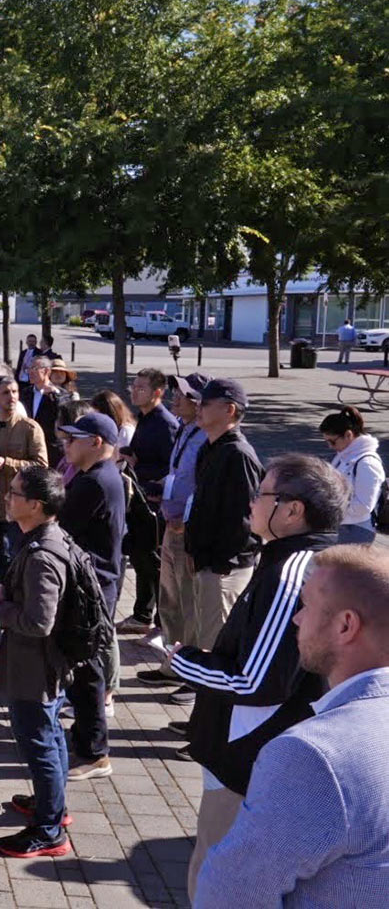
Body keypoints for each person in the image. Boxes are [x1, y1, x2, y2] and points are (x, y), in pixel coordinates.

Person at [170, 453, 344, 900]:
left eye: (262, 493)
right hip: (260, 753)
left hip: (248, 758)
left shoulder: (291, 572)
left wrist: (184, 659)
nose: (251, 502)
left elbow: (257, 683)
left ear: (292, 510)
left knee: (216, 876)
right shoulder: (300, 561)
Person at [195, 545, 389, 907]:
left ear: (346, 625)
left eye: (307, 606)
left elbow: (230, 895)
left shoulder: (313, 755)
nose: (297, 619)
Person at [0, 466, 74, 857]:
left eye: (16, 493)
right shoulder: (45, 538)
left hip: (34, 666)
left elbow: (38, 621)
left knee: (39, 741)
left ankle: (50, 830)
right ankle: (53, 805)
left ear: (35, 505)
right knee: (49, 734)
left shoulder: (41, 556)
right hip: (43, 664)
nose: (8, 497)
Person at [57, 412, 126, 781]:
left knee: (87, 671)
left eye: (74, 439)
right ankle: (85, 740)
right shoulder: (94, 477)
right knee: (84, 670)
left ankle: (94, 753)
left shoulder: (95, 482)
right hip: (95, 584)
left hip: (92, 588)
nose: (66, 444)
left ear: (96, 442)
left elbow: (61, 528)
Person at [183, 379, 264, 682]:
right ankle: (201, 709)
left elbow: (245, 520)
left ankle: (212, 722)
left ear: (229, 410)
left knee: (216, 645)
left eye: (205, 403)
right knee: (204, 636)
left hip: (223, 568)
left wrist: (220, 565)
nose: (197, 408)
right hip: (206, 562)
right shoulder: (210, 447)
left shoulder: (238, 454)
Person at [137, 373, 210, 683]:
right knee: (169, 601)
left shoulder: (207, 437)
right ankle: (172, 665)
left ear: (200, 403)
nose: (175, 399)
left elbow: (202, 486)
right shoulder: (184, 430)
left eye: (184, 395)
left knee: (187, 602)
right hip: (171, 524)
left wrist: (187, 519)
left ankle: (188, 673)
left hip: (187, 530)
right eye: (177, 392)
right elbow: (178, 475)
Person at [119, 368, 180, 633]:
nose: (134, 391)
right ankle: (142, 615)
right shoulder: (144, 418)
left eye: (141, 388)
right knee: (141, 558)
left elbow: (172, 469)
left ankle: (160, 622)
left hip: (154, 504)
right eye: (133, 386)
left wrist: (137, 465)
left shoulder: (165, 423)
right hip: (139, 500)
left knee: (152, 562)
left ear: (158, 393)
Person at [0, 376, 48, 580]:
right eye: (6, 393)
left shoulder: (29, 428)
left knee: (13, 554)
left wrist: (8, 463)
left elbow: (41, 466)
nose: (12, 397)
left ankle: (13, 596)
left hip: (16, 502)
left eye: (15, 392)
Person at [321, 405, 383, 545]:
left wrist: (330, 512)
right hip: (342, 526)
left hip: (356, 530)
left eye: (332, 441)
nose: (330, 446)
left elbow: (363, 507)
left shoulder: (367, 463)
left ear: (348, 435)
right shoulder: (343, 456)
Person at [25, 356, 63, 466]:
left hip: (50, 450)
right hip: (29, 448)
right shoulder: (25, 393)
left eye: (34, 368)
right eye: (29, 369)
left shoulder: (58, 394)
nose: (30, 372)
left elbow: (64, 413)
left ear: (46, 371)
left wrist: (55, 396)